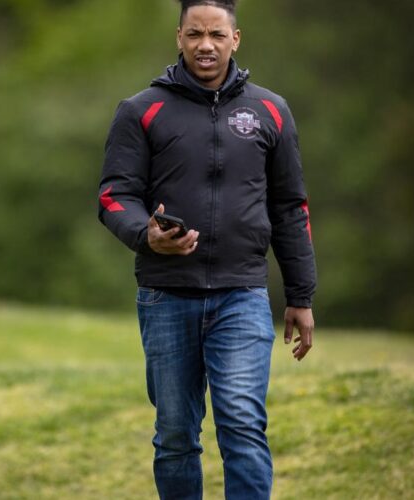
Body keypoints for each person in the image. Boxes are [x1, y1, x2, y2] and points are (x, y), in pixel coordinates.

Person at [97, 0, 317, 498]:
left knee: (241, 423)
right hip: (165, 295)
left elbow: (291, 207)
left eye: (217, 35)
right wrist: (146, 235)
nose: (205, 45)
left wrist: (301, 296)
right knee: (175, 436)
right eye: (195, 34)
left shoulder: (270, 110)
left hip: (242, 295)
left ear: (235, 40)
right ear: (179, 37)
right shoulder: (140, 109)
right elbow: (113, 196)